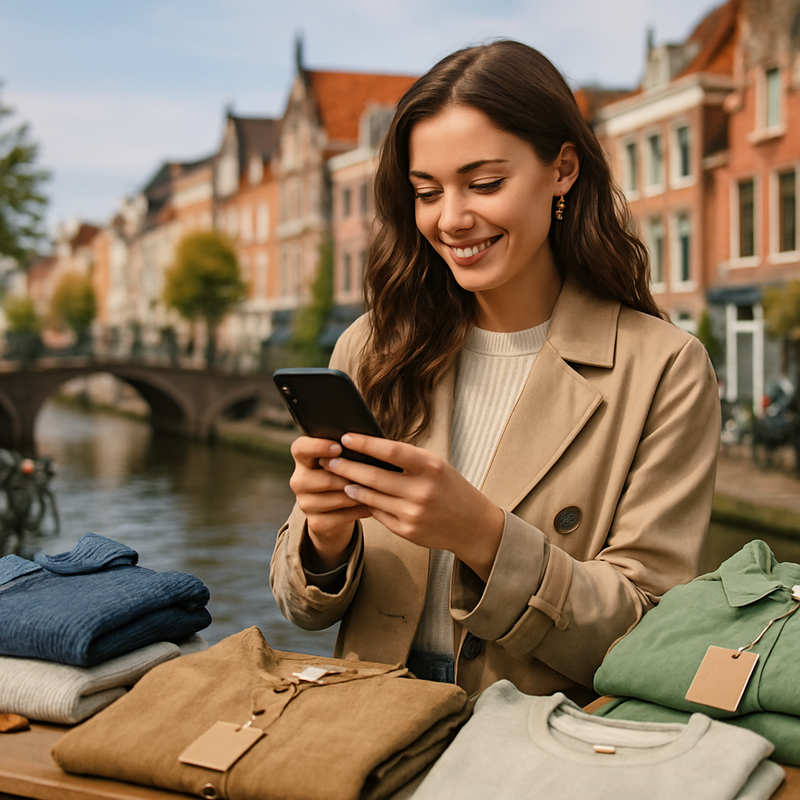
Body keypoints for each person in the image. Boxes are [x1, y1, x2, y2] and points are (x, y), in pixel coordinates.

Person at [270, 40, 720, 705]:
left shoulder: (665, 369)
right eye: (428, 192)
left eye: (484, 184)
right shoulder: (372, 347)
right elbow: (303, 610)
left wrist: (484, 537)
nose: (452, 219)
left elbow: (647, 634)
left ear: (562, 169)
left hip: (535, 749)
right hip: (368, 737)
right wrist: (324, 535)